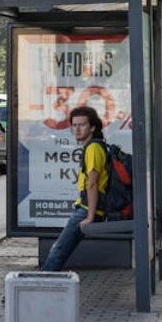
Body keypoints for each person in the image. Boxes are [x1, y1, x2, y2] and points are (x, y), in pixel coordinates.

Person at [41, 106, 109, 272]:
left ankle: (34, 289)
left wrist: (90, 217)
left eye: (82, 125)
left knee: (58, 251)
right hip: (86, 209)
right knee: (58, 250)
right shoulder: (93, 146)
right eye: (74, 125)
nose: (77, 129)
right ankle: (35, 287)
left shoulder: (93, 148)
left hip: (86, 210)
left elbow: (92, 184)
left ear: (92, 127)